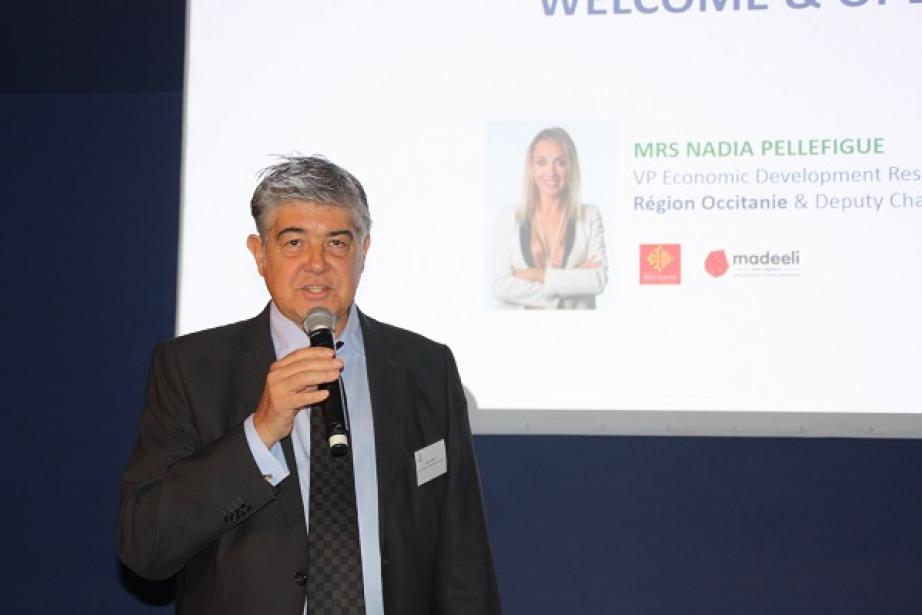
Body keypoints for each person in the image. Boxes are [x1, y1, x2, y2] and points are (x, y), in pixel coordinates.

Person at [118, 156, 501, 615]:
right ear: (260, 254)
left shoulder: (425, 367)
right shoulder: (190, 368)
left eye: (336, 243)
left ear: (364, 251)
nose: (316, 265)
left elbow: (464, 563)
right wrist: (257, 434)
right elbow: (145, 547)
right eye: (294, 242)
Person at [492, 127, 608, 309]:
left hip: (576, 331)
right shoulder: (508, 217)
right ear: (531, 168)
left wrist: (535, 274)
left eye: (560, 162)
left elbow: (598, 280)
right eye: (541, 162)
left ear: (571, 167)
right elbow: (499, 286)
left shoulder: (590, 216)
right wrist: (572, 281)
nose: (551, 172)